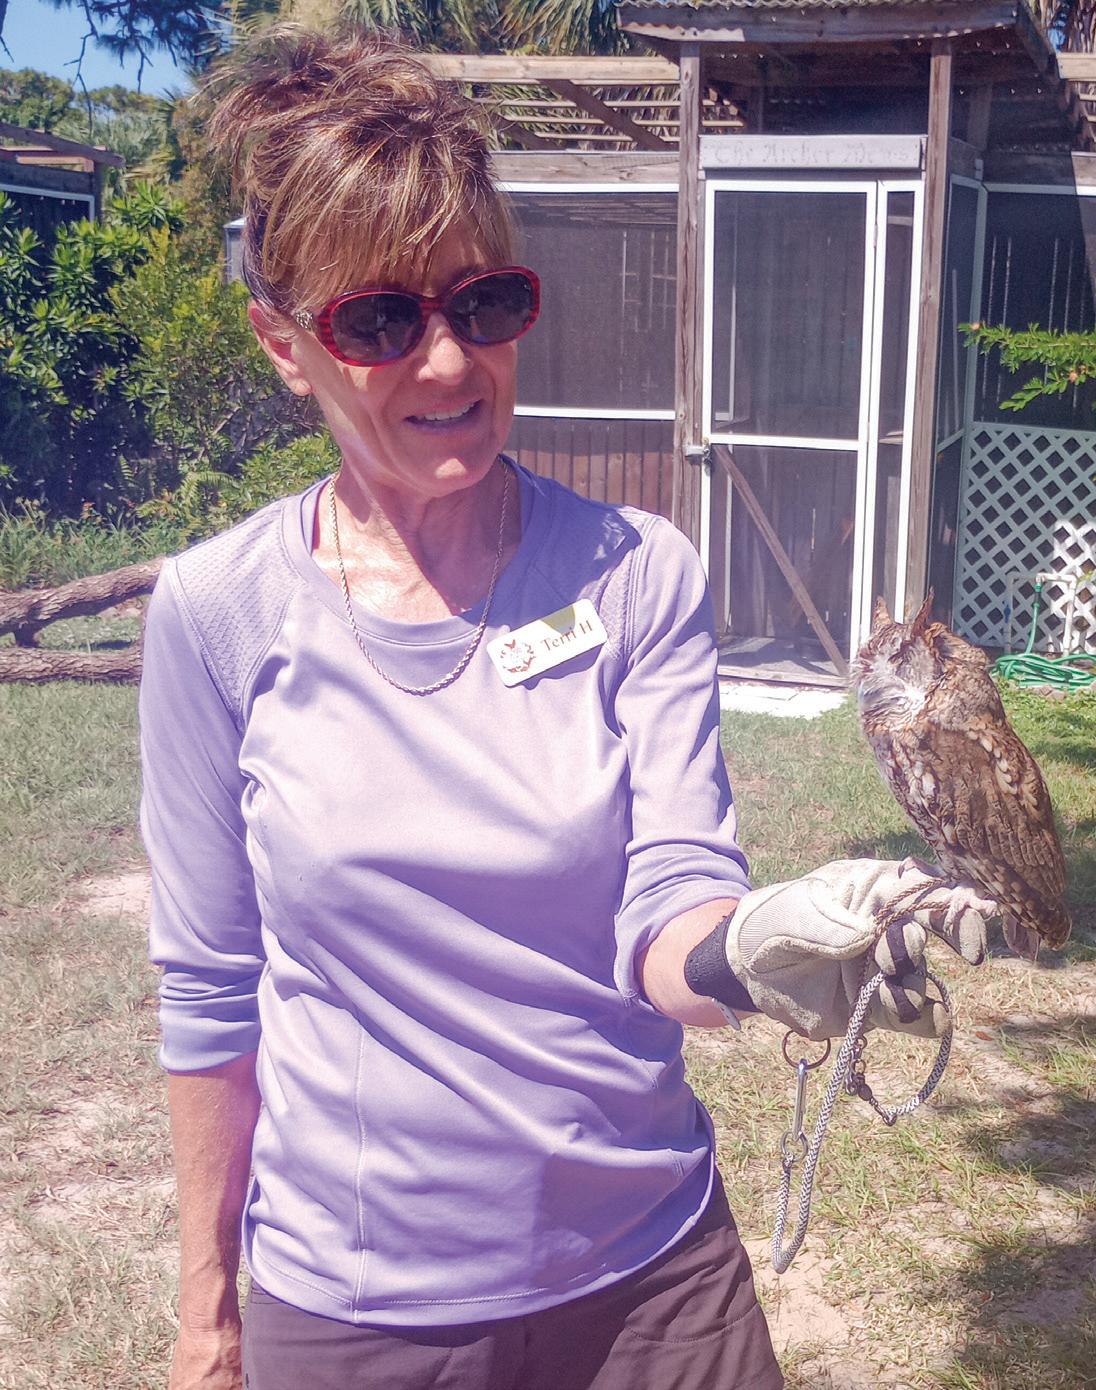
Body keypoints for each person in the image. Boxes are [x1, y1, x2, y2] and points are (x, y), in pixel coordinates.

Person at [139, 26, 990, 1390]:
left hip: (651, 1276)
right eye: (379, 322)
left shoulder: (638, 573)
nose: (447, 363)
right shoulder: (214, 613)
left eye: (482, 303)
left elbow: (671, 904)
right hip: (362, 1311)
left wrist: (754, 948)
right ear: (285, 345)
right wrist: (206, 1317)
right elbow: (208, 989)